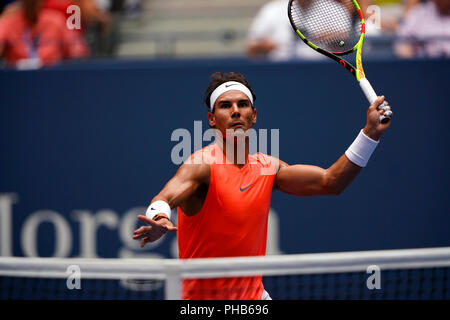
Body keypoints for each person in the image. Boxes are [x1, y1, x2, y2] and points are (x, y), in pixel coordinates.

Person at [132, 71, 393, 300]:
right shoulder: (201, 165)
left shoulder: (268, 168)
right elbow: (165, 196)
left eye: (242, 104)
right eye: (225, 106)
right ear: (212, 119)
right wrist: (160, 217)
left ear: (253, 115)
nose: (235, 110)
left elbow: (331, 182)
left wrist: (370, 134)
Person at [0, 0, 89, 68]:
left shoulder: (56, 20)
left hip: (52, 78)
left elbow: (77, 52)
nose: (33, 3)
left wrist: (76, 50)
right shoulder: (8, 22)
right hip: (17, 80)